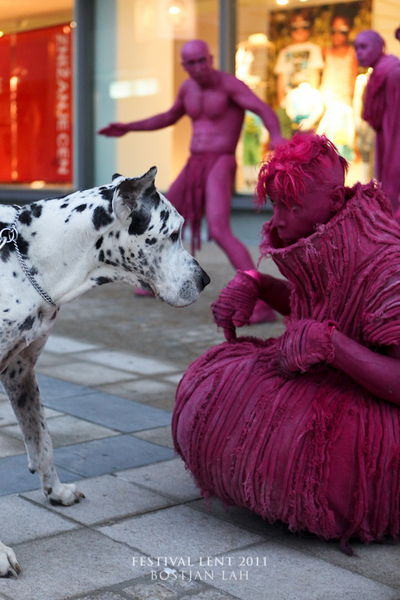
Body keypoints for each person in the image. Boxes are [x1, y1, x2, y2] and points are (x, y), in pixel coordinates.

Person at [172, 131, 400, 552]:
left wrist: (331, 344)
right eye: (275, 204)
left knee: (326, 453)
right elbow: (313, 304)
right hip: (326, 374)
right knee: (213, 387)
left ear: (335, 201)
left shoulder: (387, 262)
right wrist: (256, 282)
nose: (277, 221)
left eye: (291, 207)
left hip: (379, 412)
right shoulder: (326, 239)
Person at [99, 39, 283, 323]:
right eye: (191, 63)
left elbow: (263, 109)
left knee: (219, 230)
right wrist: (129, 127)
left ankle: (261, 303)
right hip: (194, 162)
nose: (197, 67)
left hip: (220, 161)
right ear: (184, 66)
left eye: (201, 61)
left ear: (210, 59)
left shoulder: (229, 85)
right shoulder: (188, 89)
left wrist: (277, 136)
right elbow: (169, 117)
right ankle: (157, 281)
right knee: (159, 217)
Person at [354, 29, 400, 220]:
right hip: (384, 140)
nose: (359, 53)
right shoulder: (377, 74)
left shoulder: (392, 72)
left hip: (394, 142)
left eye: (364, 47)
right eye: (356, 48)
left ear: (379, 46)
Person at [317, 15, 358, 160]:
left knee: (341, 139)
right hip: (326, 101)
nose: (337, 35)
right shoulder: (325, 51)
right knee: (325, 137)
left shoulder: (352, 53)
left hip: (344, 103)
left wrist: (351, 102)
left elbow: (353, 78)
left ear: (349, 31)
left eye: (342, 31)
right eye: (333, 31)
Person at [274, 10, 324, 107]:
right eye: (295, 27)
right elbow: (281, 79)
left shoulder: (314, 49)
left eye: (304, 26)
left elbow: (315, 75)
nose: (299, 30)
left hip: (307, 100)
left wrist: (312, 100)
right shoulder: (284, 52)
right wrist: (281, 101)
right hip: (287, 100)